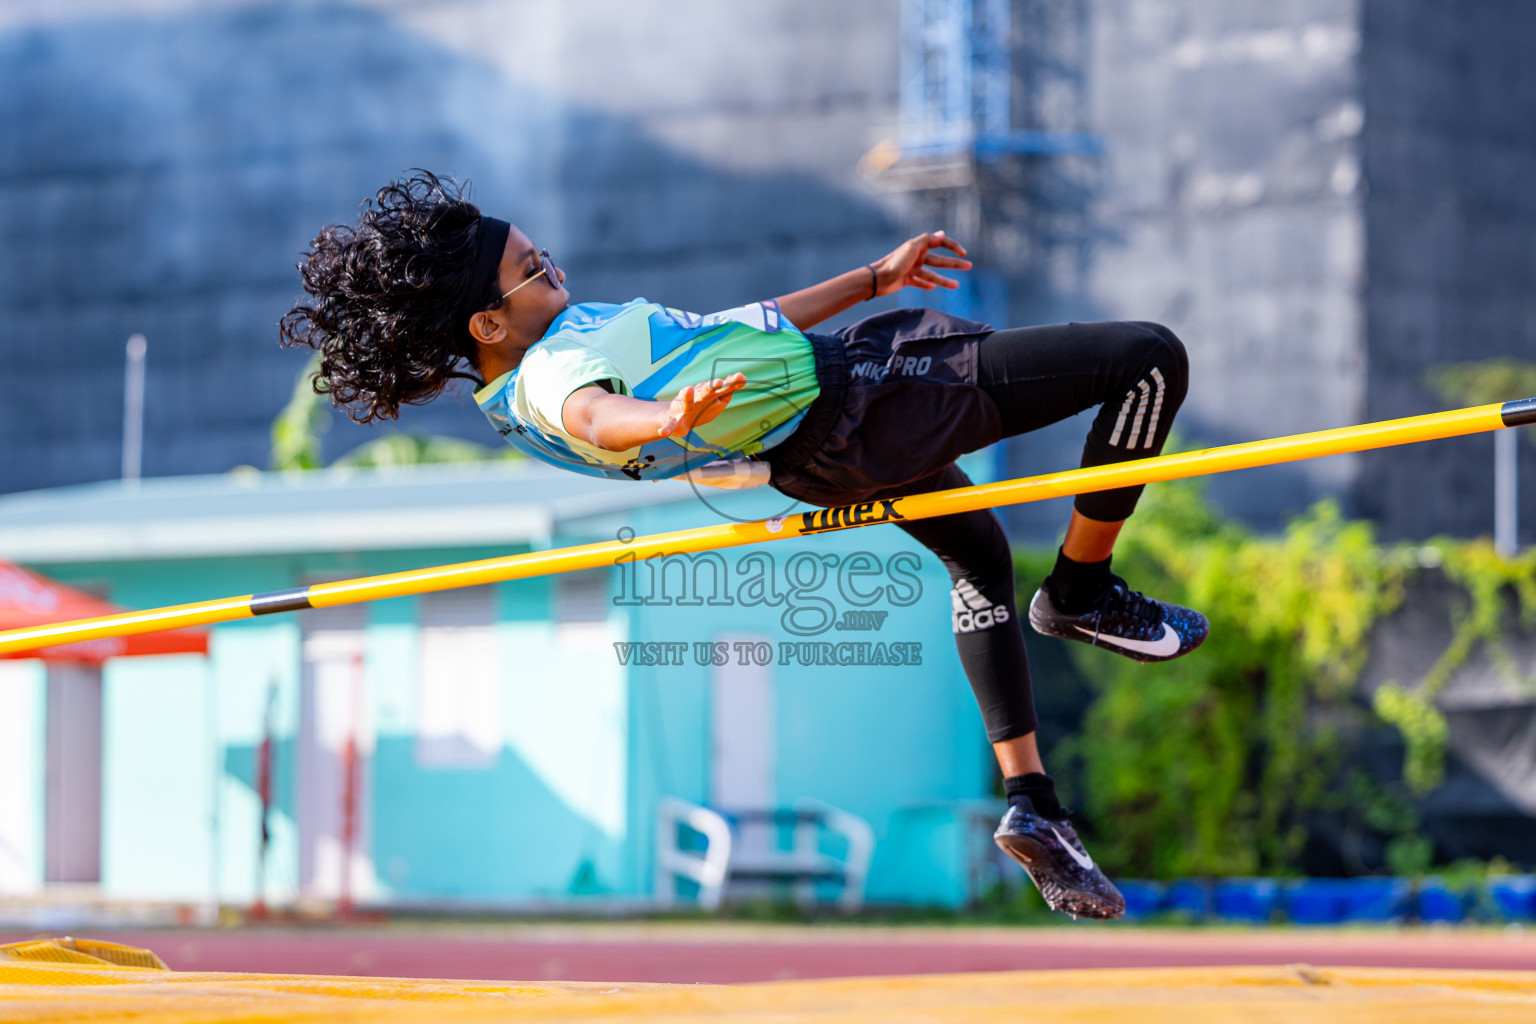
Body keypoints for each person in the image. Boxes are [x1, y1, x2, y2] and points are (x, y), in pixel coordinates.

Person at [281, 171, 1208, 919]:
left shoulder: (526, 377)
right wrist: (659, 417)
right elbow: (598, 416)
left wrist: (871, 282)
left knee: (978, 559)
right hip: (873, 398)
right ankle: (1082, 591)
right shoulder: (555, 372)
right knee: (1146, 358)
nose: (551, 267)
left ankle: (1033, 804)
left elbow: (739, 330)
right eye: (532, 267)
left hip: (819, 449)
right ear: (489, 324)